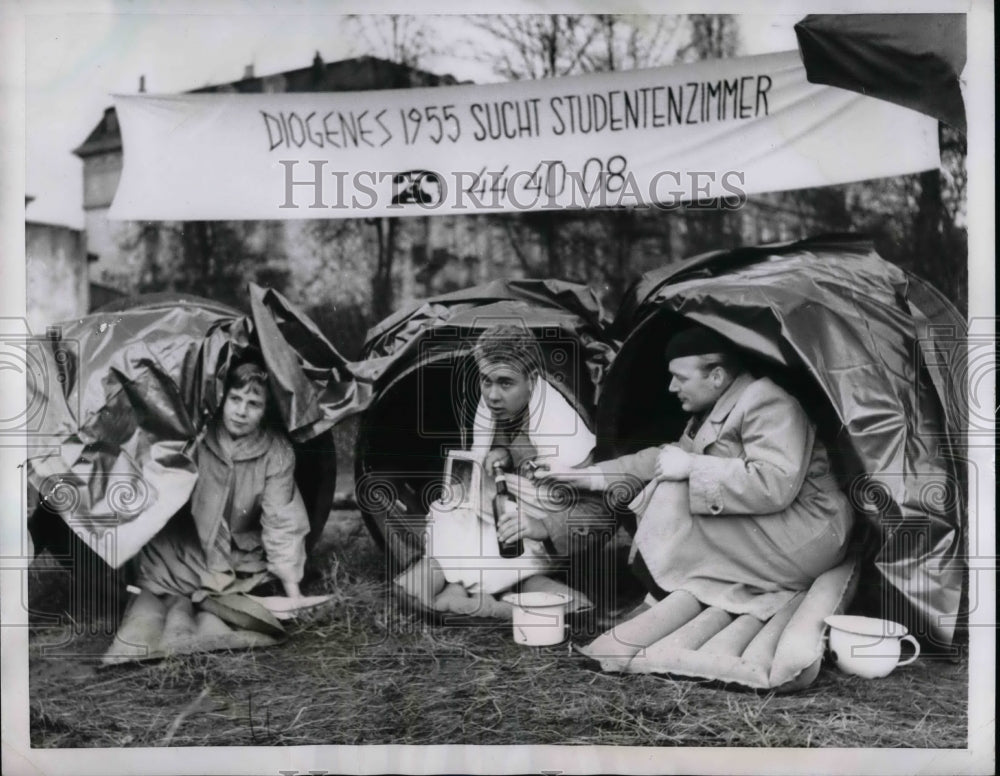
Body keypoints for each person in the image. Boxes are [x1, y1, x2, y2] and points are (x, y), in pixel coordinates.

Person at [540, 323, 853, 654]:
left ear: (716, 376)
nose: (672, 387)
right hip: (779, 526)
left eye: (681, 378)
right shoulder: (718, 406)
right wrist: (588, 476)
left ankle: (653, 601)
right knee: (675, 483)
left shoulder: (768, 402)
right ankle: (655, 600)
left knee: (674, 491)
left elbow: (776, 484)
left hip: (808, 534)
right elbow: (664, 458)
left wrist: (691, 467)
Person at [394, 323, 612, 618]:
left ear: (532, 380)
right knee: (449, 515)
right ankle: (486, 591)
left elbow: (601, 511)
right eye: (486, 381)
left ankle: (492, 603)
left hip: (541, 531)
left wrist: (543, 527)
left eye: (505, 383)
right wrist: (505, 453)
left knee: (434, 581)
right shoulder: (497, 406)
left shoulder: (562, 429)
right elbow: (515, 444)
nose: (492, 395)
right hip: (503, 514)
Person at [135, 362, 309, 600]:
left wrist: (293, 591)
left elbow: (281, 519)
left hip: (239, 551)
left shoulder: (277, 451)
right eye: (235, 399)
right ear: (222, 398)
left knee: (244, 589)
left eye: (254, 404)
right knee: (157, 585)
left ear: (266, 409)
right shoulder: (198, 434)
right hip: (187, 545)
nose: (241, 411)